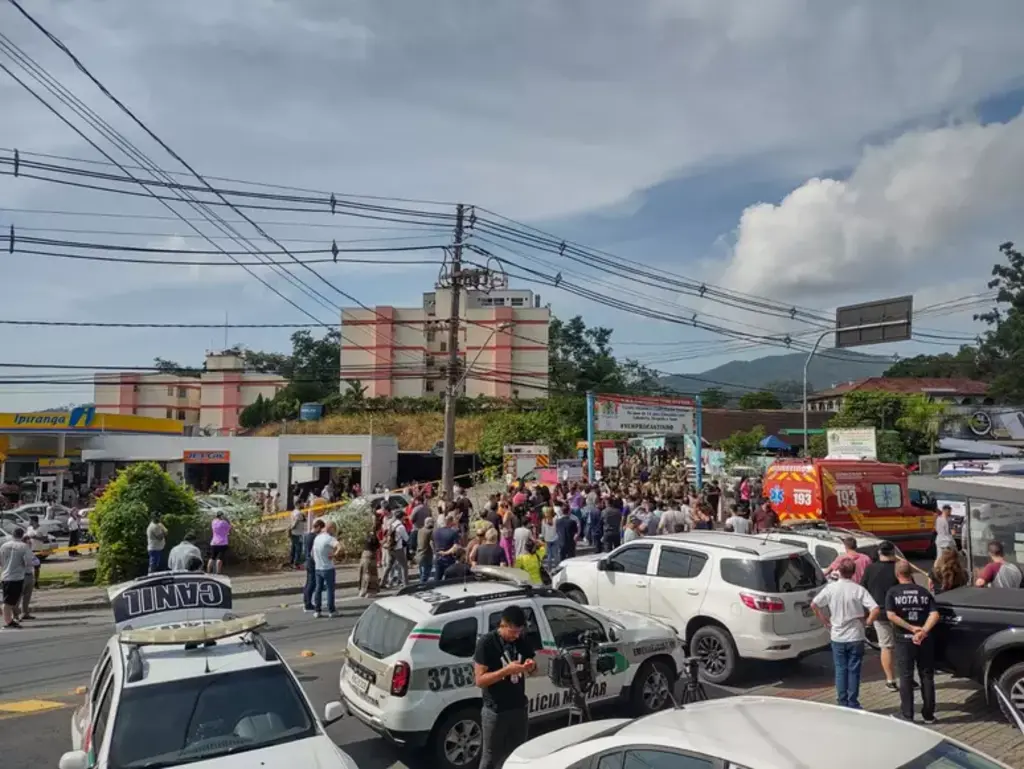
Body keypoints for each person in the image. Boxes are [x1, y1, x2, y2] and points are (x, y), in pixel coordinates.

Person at [811, 559, 880, 709]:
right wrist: (867, 622)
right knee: (854, 670)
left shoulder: (830, 589)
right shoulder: (858, 589)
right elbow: (875, 608)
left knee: (841, 669)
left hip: (837, 635)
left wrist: (824, 620)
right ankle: (853, 701)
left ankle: (842, 701)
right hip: (856, 635)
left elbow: (814, 604)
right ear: (853, 572)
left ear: (839, 572)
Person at [474, 605, 537, 769]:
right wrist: (506, 671)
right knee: (490, 757)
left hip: (518, 708)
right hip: (496, 711)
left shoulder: (521, 640)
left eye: (519, 631)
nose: (516, 636)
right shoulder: (486, 643)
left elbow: (534, 667)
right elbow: (480, 680)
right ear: (503, 625)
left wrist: (530, 665)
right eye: (513, 631)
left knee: (518, 754)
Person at [886, 560, 941, 723]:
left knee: (905, 676)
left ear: (897, 574)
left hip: (904, 640)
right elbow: (935, 615)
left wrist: (911, 629)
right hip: (925, 639)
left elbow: (891, 615)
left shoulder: (893, 592)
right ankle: (929, 714)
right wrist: (923, 630)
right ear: (911, 573)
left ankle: (907, 714)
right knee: (927, 676)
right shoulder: (923, 592)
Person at [860, 541, 901, 691]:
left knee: (886, 647)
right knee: (902, 646)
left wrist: (867, 612)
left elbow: (862, 589)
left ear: (879, 553)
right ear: (893, 552)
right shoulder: (898, 568)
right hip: (899, 613)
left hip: (879, 614)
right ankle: (907, 676)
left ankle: (890, 680)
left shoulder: (870, 569)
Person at [0, 527, 32, 629]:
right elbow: (28, 562)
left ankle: (9, 619)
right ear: (22, 535)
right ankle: (8, 621)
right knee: (9, 601)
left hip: (5, 575)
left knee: (9, 599)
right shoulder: (24, 546)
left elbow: (1, 561)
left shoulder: (4, 546)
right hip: (16, 576)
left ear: (12, 535)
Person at [312, 521, 342, 618]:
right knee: (330, 589)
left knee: (318, 589)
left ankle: (317, 610)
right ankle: (331, 610)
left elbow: (312, 553)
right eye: (334, 530)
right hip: (328, 568)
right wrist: (335, 554)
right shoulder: (329, 539)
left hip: (318, 568)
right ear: (331, 529)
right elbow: (339, 546)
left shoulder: (317, 538)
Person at [381, 510, 409, 589]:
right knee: (404, 566)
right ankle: (405, 584)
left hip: (390, 547)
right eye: (404, 516)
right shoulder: (401, 526)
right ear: (401, 517)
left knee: (389, 566)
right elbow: (406, 538)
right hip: (398, 548)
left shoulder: (391, 524)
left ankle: (382, 582)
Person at [302, 519, 326, 612]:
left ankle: (306, 601)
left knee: (308, 582)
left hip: (308, 561)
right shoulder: (314, 537)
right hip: (312, 562)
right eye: (321, 529)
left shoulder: (307, 536)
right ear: (318, 527)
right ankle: (308, 604)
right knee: (312, 583)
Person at [16, 532, 39, 621]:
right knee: (18, 596)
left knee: (27, 596)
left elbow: (36, 561)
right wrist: (32, 562)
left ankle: (25, 613)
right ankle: (16, 615)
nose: (30, 543)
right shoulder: (21, 551)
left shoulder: (30, 551)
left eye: (30, 542)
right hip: (22, 575)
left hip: (30, 575)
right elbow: (27, 563)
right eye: (28, 542)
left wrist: (32, 562)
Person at [432, 514, 461, 580]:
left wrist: (435, 551)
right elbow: (455, 546)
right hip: (449, 559)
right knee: (449, 579)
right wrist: (445, 553)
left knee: (437, 577)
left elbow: (431, 542)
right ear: (451, 522)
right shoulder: (453, 532)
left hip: (438, 557)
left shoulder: (436, 531)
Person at [358, 532, 380, 598]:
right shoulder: (374, 536)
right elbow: (377, 545)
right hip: (370, 554)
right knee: (371, 573)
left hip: (365, 554)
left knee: (364, 572)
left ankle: (363, 590)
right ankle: (371, 591)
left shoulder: (367, 536)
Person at [416, 517, 435, 583]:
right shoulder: (430, 531)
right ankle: (422, 585)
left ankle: (421, 584)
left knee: (422, 571)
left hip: (419, 553)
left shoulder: (420, 530)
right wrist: (435, 552)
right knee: (426, 572)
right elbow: (432, 542)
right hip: (427, 554)